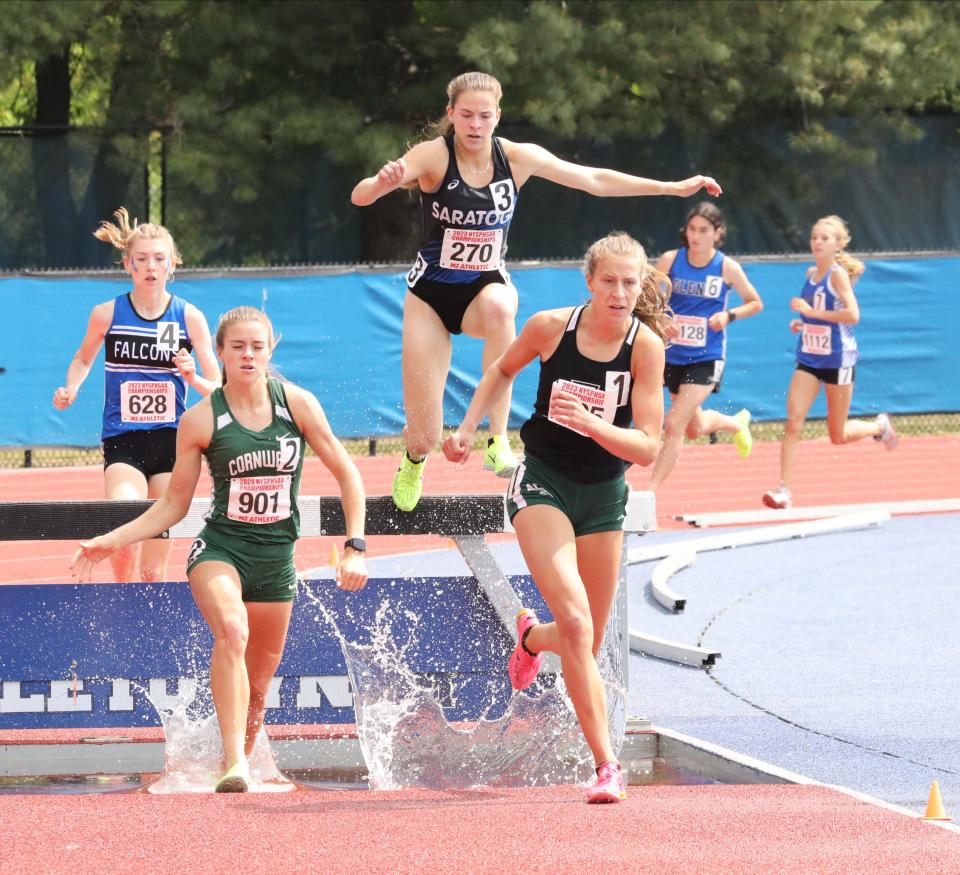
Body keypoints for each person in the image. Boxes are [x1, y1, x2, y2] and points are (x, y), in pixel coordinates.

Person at [352, 70, 720, 513]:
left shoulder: (517, 158)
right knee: (425, 433)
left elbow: (593, 180)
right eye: (465, 115)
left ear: (497, 117)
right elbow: (359, 197)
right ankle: (412, 461)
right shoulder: (433, 154)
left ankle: (497, 439)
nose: (474, 124)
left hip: (484, 287)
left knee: (501, 307)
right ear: (451, 114)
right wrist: (381, 183)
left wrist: (669, 188)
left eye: (484, 116)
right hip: (430, 296)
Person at [72, 306, 369, 793]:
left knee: (257, 687)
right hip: (220, 549)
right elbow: (172, 505)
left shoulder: (297, 404)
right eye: (238, 347)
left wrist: (355, 545)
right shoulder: (201, 419)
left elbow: (347, 473)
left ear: (271, 349)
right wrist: (113, 540)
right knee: (233, 630)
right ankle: (235, 765)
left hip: (276, 560)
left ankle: (236, 759)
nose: (248, 355)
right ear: (222, 352)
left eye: (257, 346)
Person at [444, 231, 667, 804]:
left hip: (604, 494)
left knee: (580, 641)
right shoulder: (550, 327)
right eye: (609, 281)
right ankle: (607, 767)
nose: (619, 293)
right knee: (577, 622)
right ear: (589, 281)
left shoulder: (645, 347)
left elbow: (646, 447)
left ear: (640, 287)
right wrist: (471, 427)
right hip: (542, 481)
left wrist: (593, 423)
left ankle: (529, 638)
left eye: (629, 283)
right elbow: (500, 370)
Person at [53, 207, 221, 583]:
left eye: (159, 259)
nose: (150, 266)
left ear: (171, 264)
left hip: (171, 444)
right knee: (124, 520)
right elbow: (82, 359)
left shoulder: (188, 317)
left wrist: (193, 378)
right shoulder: (107, 313)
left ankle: (149, 623)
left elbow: (218, 385)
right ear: (128, 263)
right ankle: (120, 595)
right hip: (123, 440)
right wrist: (72, 387)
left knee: (153, 566)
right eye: (141, 259)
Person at [762, 215, 897, 509]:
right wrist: (803, 323)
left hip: (838, 359)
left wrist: (813, 313)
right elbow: (817, 314)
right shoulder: (811, 274)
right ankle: (784, 490)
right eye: (814, 237)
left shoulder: (836, 275)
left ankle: (878, 427)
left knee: (838, 435)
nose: (818, 242)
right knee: (793, 422)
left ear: (838, 245)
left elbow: (852, 315)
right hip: (809, 358)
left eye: (825, 238)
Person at [647, 202, 763, 492]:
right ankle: (736, 424)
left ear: (717, 233)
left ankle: (648, 495)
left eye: (703, 230)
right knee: (693, 427)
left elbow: (755, 302)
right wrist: (663, 318)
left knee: (673, 425)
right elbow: (649, 301)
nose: (696, 236)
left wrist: (728, 315)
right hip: (673, 353)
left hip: (706, 356)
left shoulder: (726, 267)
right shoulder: (670, 261)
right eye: (691, 229)